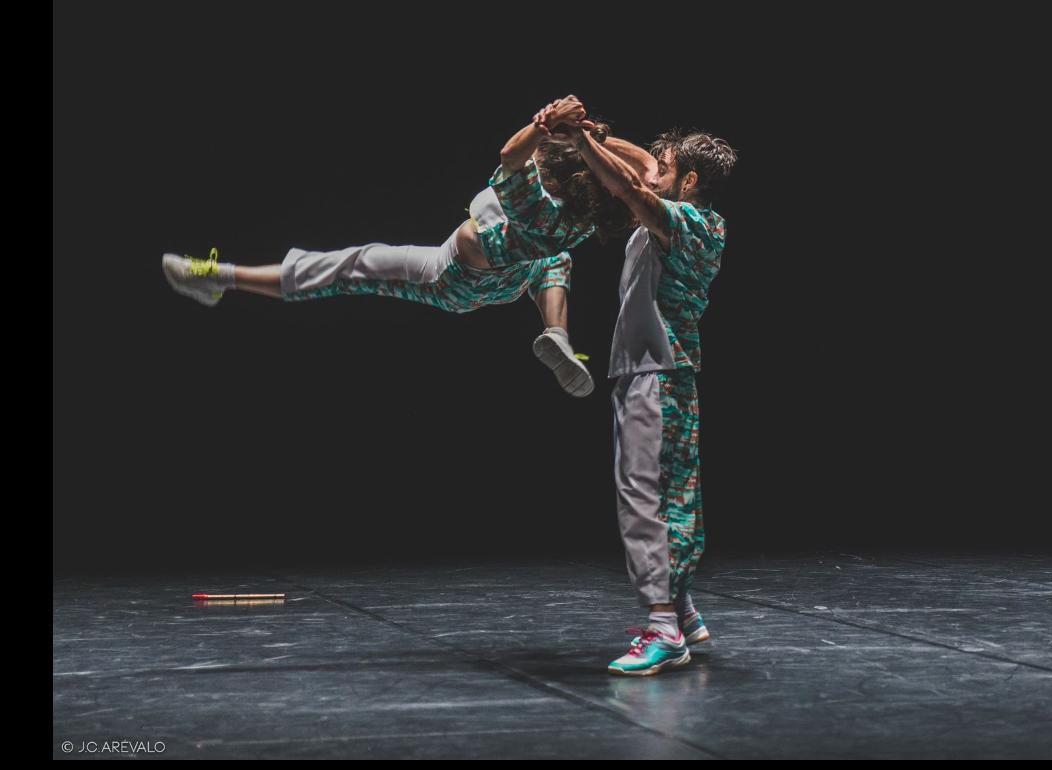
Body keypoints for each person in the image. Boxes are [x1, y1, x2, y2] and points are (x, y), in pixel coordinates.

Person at [161, 96, 648, 397]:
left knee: (348, 267)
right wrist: (589, 139)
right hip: (509, 282)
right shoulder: (582, 220)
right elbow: (642, 168)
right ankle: (557, 333)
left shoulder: (532, 202)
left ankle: (218, 278)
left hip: (450, 277)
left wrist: (546, 124)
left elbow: (509, 154)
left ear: (554, 171)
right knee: (556, 260)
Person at [558, 113, 736, 675]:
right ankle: (681, 608)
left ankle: (663, 628)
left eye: (667, 167)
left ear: (689, 181)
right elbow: (639, 166)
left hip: (657, 373)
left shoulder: (687, 222)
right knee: (667, 492)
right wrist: (594, 137)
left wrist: (582, 142)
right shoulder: (688, 217)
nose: (653, 170)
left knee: (645, 497)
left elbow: (631, 186)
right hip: (654, 372)